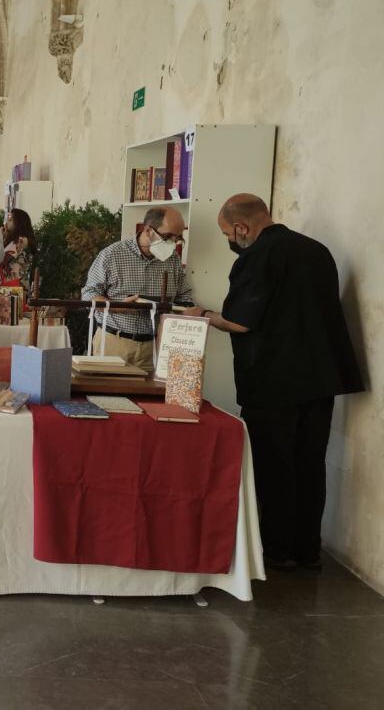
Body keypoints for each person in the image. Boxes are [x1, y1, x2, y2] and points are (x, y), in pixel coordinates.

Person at [194, 194, 363, 571]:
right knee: (310, 463)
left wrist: (202, 314)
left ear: (242, 227)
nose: (231, 241)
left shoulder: (258, 256)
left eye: (228, 233)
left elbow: (241, 321)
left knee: (273, 465)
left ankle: (275, 549)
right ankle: (307, 550)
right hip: (320, 378)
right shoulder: (317, 251)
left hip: (273, 380)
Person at [81, 206, 194, 372]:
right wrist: (118, 307)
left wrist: (184, 310)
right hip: (115, 342)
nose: (173, 243)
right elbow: (88, 294)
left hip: (155, 346)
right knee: (109, 395)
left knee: (149, 397)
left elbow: (184, 296)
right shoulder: (112, 255)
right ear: (148, 230)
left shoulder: (173, 260)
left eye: (178, 238)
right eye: (168, 236)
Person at [0, 208, 38, 288]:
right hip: (14, 283)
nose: (7, 222)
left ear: (18, 223)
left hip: (14, 285)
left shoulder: (20, 240)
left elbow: (0, 260)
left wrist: (0, 238)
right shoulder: (20, 239)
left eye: (10, 220)